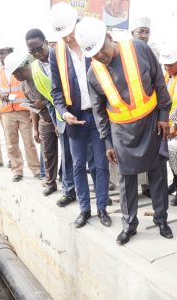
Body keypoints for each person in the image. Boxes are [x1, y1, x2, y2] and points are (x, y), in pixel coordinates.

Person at [75, 16, 173, 243]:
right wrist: (107, 142)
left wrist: (164, 115)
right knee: (126, 180)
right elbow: (99, 112)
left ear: (109, 37)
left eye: (101, 50)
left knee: (157, 173)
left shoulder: (139, 49)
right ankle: (129, 225)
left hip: (151, 124)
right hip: (121, 132)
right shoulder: (94, 73)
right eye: (94, 55)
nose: (100, 56)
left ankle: (161, 219)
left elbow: (159, 82)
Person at [49, 2, 111, 228]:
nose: (68, 39)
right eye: (63, 36)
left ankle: (102, 208)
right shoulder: (56, 53)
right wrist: (63, 113)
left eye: (70, 33)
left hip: (98, 117)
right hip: (74, 119)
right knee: (76, 166)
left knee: (100, 165)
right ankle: (84, 210)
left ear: (77, 23)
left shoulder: (92, 42)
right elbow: (56, 90)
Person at [25, 28, 76, 206]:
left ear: (46, 42)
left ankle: (98, 194)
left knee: (86, 155)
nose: (37, 53)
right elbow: (49, 98)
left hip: (76, 108)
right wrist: (57, 121)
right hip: (59, 113)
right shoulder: (34, 68)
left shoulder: (62, 56)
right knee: (66, 153)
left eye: (39, 48)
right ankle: (69, 190)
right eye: (32, 51)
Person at [5, 52, 58, 195]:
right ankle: (50, 183)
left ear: (20, 70)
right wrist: (35, 129)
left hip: (58, 118)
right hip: (44, 121)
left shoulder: (40, 74)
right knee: (47, 154)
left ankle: (67, 182)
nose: (15, 78)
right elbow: (33, 108)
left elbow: (57, 96)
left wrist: (45, 104)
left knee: (67, 155)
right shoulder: (24, 86)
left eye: (15, 74)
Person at [0, 46, 40, 182]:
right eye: (0, 56)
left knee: (29, 142)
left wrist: (10, 97)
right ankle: (17, 170)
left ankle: (36, 169)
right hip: (7, 112)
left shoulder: (21, 68)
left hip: (23, 111)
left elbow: (25, 91)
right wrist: (0, 94)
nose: (1, 58)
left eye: (4, 54)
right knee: (11, 144)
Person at [130, 16, 152, 198]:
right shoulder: (124, 52)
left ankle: (146, 187)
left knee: (147, 151)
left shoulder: (152, 53)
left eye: (146, 32)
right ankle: (128, 188)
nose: (144, 35)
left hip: (147, 113)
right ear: (132, 34)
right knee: (129, 153)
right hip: (127, 113)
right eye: (140, 31)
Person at [160, 42, 177, 205]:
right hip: (168, 125)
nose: (167, 67)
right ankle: (175, 181)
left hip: (175, 125)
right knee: (171, 158)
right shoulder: (167, 76)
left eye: (170, 65)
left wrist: (175, 125)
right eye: (165, 65)